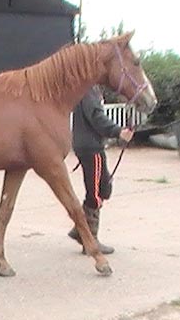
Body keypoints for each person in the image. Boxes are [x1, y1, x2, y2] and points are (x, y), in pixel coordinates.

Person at [68, 85, 134, 254]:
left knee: (103, 186)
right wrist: (118, 131)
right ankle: (90, 239)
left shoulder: (90, 88)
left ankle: (79, 230)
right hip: (91, 147)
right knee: (95, 193)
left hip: (89, 145)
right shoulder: (88, 89)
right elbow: (96, 117)